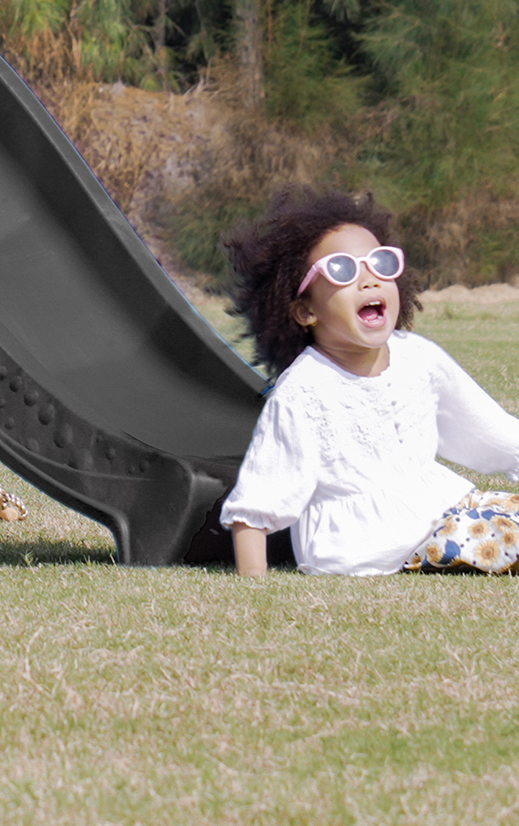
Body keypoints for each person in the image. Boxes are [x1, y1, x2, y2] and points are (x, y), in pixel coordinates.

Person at [217, 189, 519, 575]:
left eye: (381, 263)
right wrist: (253, 589)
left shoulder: (419, 357)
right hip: (372, 543)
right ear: (305, 310)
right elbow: (258, 502)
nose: (369, 280)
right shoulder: (303, 390)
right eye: (342, 270)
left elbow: (494, 435)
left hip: (446, 509)